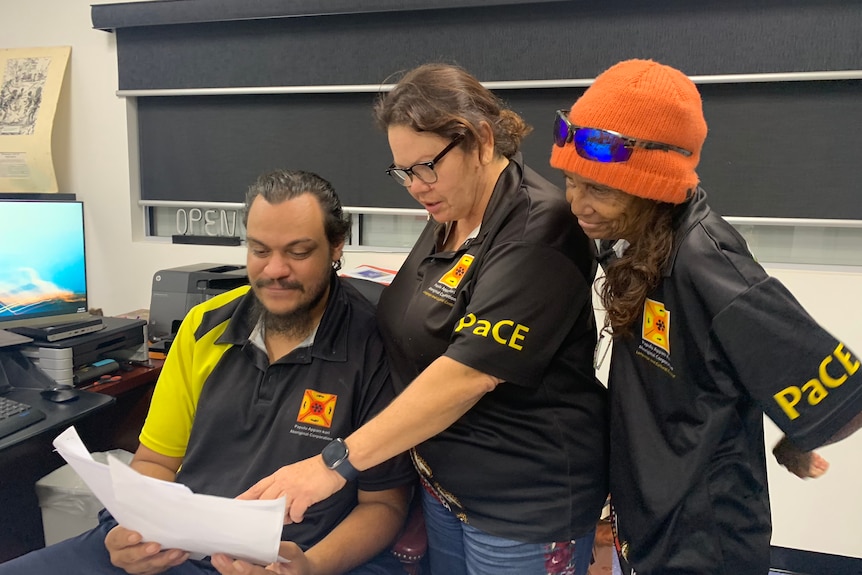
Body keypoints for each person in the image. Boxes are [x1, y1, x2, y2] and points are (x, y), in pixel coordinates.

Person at [233, 63, 610, 575]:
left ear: (479, 140)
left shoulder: (538, 228)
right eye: (404, 171)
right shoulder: (452, 213)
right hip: (445, 485)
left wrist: (334, 463)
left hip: (521, 501)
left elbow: (468, 373)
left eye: (425, 167)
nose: (415, 186)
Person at [0, 169, 416, 575]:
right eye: (259, 250)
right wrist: (128, 536)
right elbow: (156, 463)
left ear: (337, 246)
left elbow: (383, 505)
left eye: (298, 252)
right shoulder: (205, 326)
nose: (274, 270)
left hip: (291, 557)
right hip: (177, 548)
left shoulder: (376, 341)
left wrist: (311, 566)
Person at [549, 58, 862, 575]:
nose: (576, 202)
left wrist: (800, 437)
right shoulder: (638, 238)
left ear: (653, 183)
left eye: (598, 189)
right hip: (649, 511)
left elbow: (843, 389)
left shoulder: (707, 264)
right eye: (570, 181)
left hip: (703, 537)